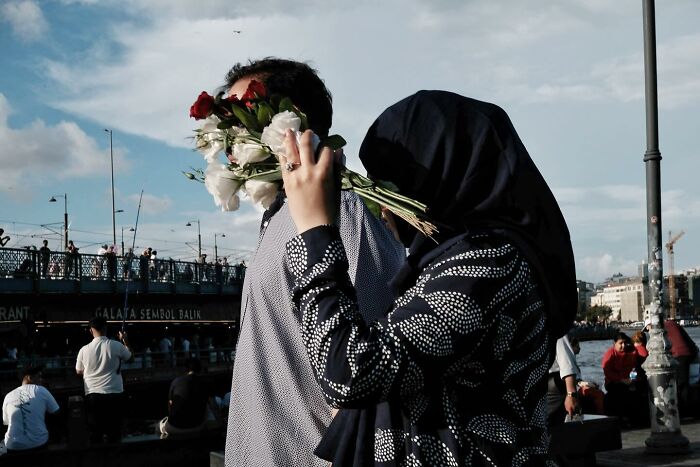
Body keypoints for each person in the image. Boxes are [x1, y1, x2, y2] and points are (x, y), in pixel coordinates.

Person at [280, 90, 577, 464]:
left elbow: (350, 373)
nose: (383, 204)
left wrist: (315, 230)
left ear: (438, 172)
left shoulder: (487, 263)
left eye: (390, 183)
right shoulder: (478, 258)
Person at [223, 58, 405, 467]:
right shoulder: (282, 215)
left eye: (239, 117)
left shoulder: (343, 208)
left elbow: (373, 369)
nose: (227, 139)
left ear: (288, 121)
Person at [75, 316, 133, 443]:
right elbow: (130, 358)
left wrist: (91, 370)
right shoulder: (116, 345)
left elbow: (79, 371)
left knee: (95, 432)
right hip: (115, 394)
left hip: (93, 396)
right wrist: (125, 340)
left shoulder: (83, 350)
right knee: (115, 431)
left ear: (91, 330)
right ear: (106, 328)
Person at [2, 367, 59, 452]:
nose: (41, 380)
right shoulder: (41, 390)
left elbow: (6, 422)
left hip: (12, 445)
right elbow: (56, 412)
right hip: (38, 444)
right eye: (39, 377)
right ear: (30, 378)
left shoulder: (8, 396)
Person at [157, 358, 215, 438]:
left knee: (158, 426)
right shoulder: (205, 382)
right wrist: (220, 424)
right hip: (197, 427)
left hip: (175, 427)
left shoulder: (176, 381)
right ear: (200, 369)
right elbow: (213, 406)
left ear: (185, 369)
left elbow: (170, 405)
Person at [602, 332, 646, 424]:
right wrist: (621, 380)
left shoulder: (632, 351)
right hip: (614, 382)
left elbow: (643, 354)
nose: (623, 345)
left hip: (631, 380)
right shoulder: (610, 354)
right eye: (621, 343)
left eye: (625, 343)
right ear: (614, 344)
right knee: (620, 391)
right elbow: (607, 372)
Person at [547, 335, 581, 427]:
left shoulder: (552, 327)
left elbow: (567, 363)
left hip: (554, 388)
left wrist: (571, 394)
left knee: (553, 428)